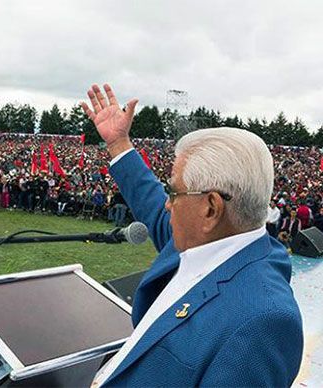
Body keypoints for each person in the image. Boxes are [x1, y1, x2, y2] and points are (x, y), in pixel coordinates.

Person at [82, 84, 303, 387]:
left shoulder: (263, 322)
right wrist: (119, 143)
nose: (167, 203)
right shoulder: (207, 242)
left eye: (173, 191)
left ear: (211, 208)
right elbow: (151, 203)